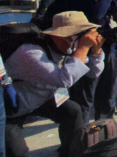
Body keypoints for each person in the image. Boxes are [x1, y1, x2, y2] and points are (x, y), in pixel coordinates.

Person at [4, 11, 105, 157]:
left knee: (73, 111)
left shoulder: (68, 49)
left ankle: (70, 152)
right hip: (12, 110)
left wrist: (96, 52)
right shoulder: (30, 52)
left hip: (39, 100)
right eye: (80, 34)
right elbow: (63, 79)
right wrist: (83, 48)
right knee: (17, 153)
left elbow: (93, 72)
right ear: (65, 36)